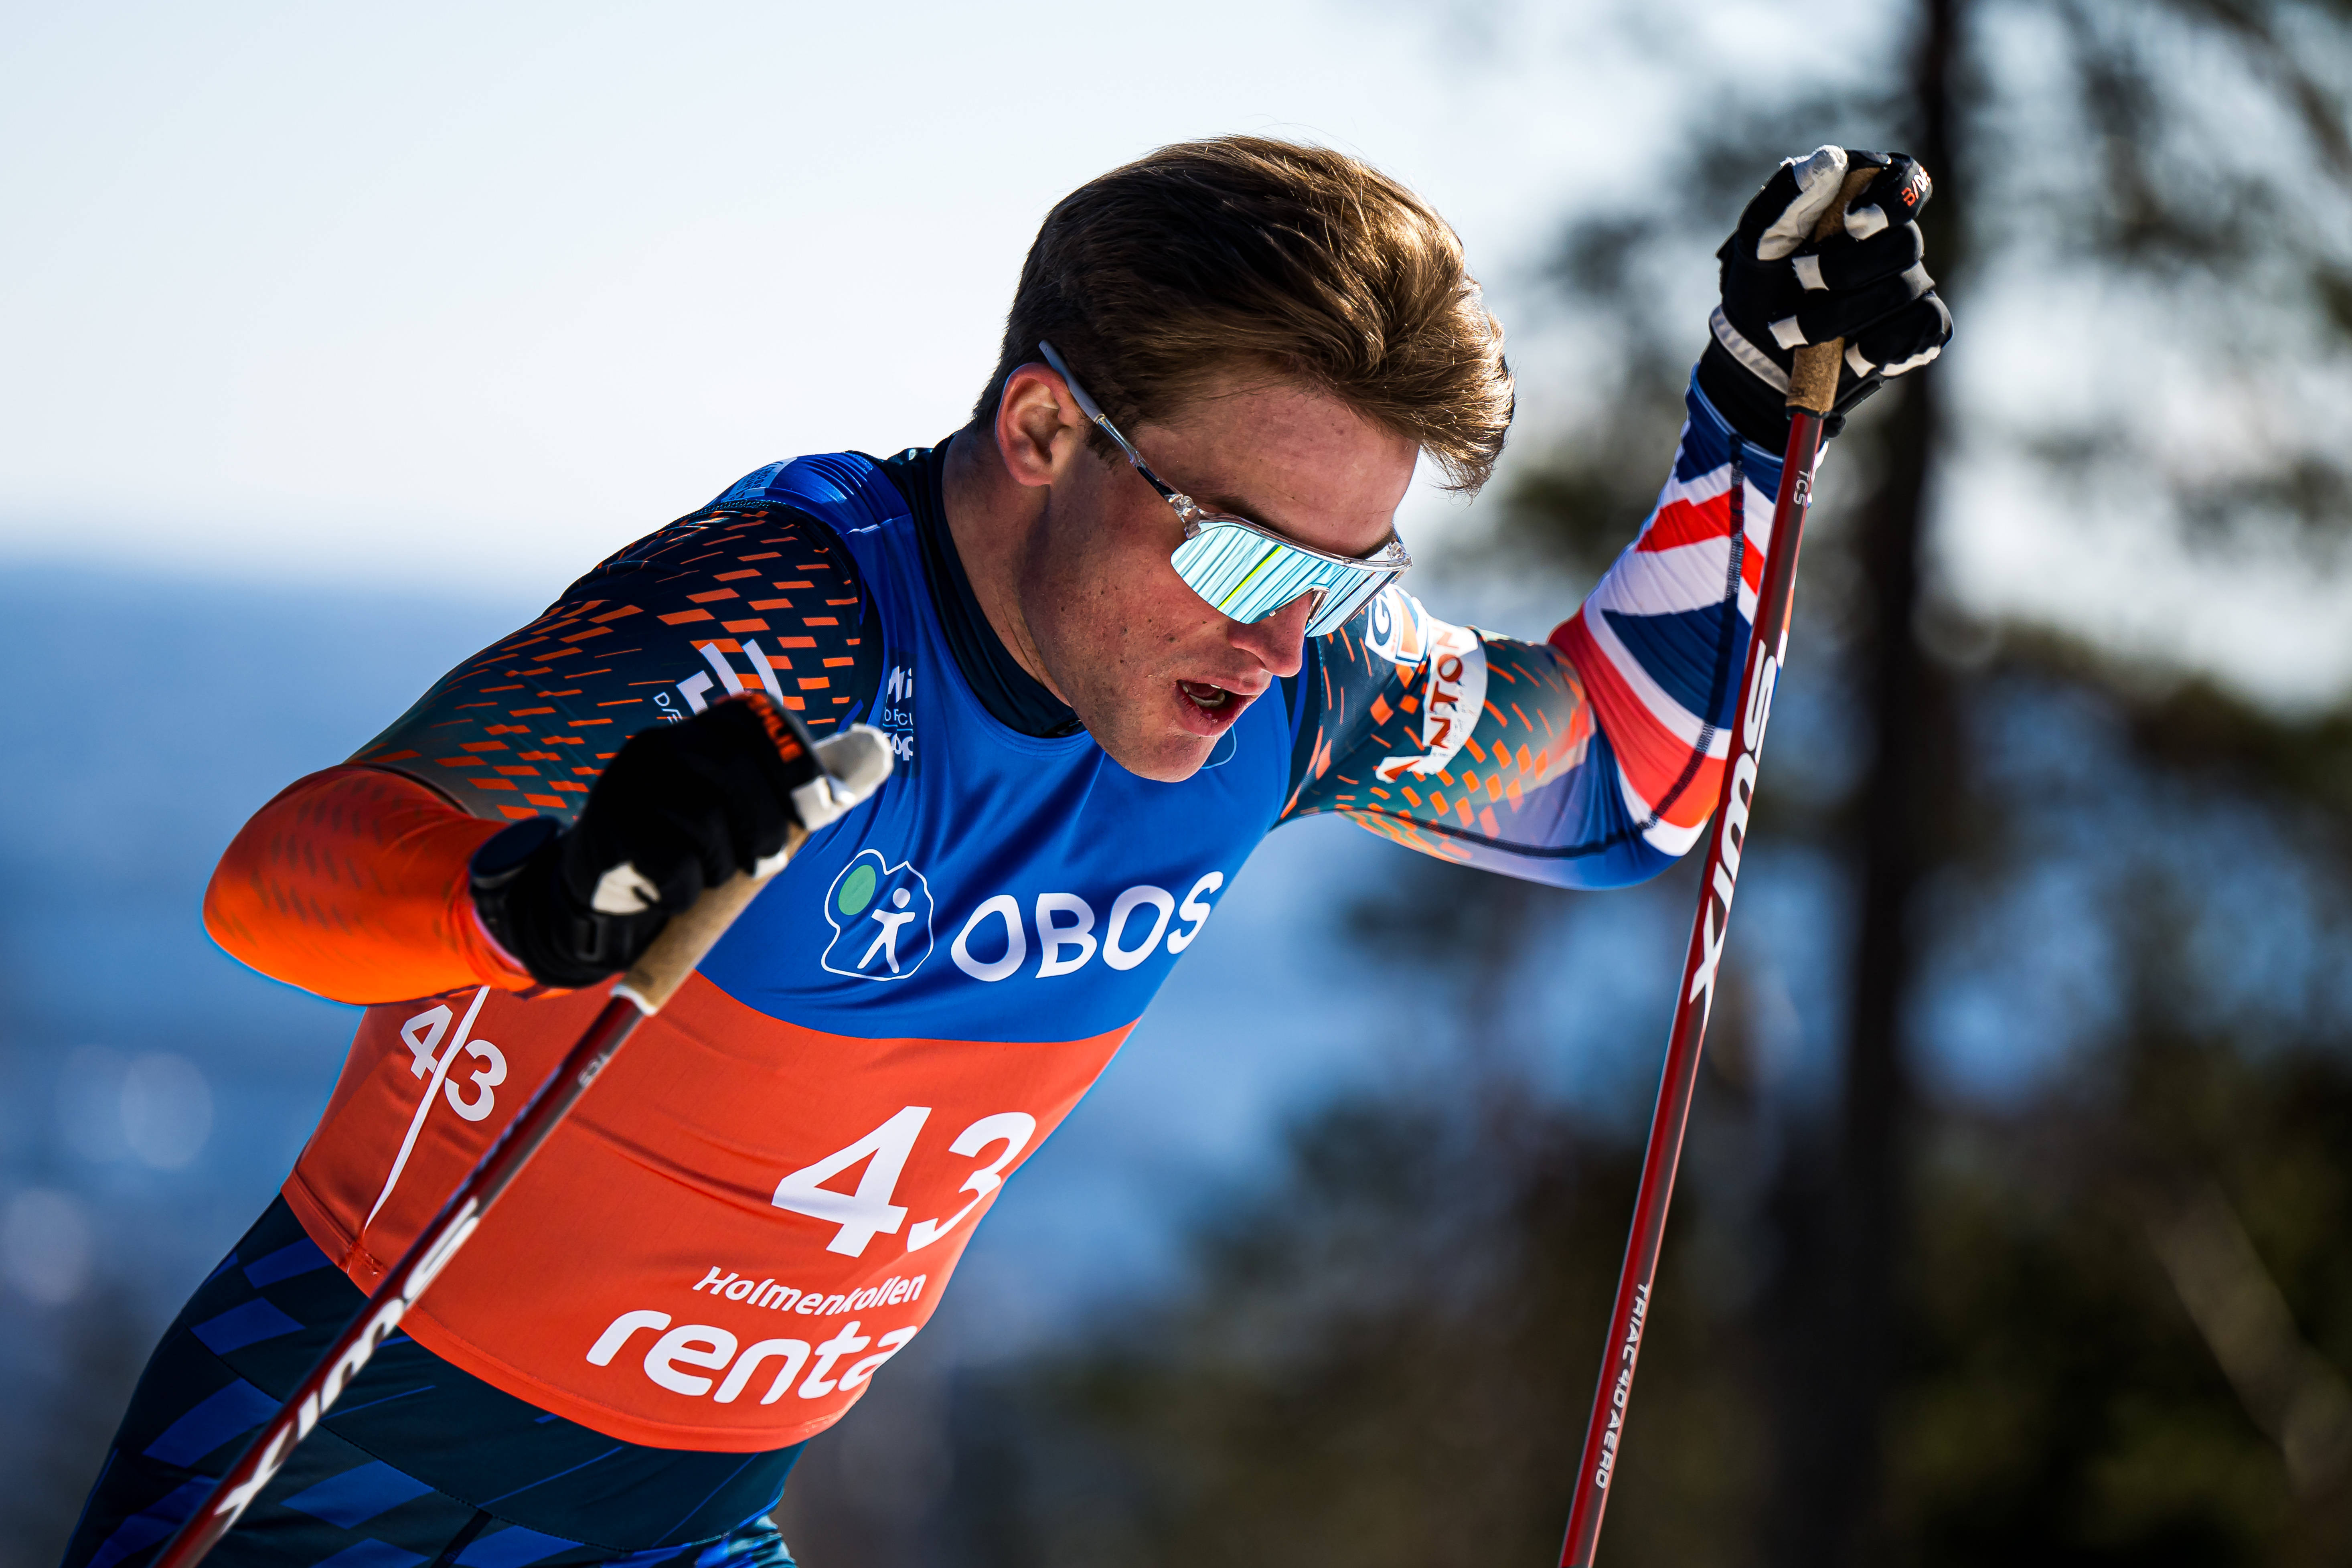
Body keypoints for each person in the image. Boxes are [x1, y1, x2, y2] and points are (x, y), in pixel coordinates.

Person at [65, 138, 1948, 1568]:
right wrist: (535, 904)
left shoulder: (1301, 686)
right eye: (1244, 551)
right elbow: (285, 876)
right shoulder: (789, 625)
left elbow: (1623, 789)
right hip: (347, 1482)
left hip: (694, 1521)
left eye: (1345, 570)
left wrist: (1747, 413)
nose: (1281, 634)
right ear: (1046, 427)